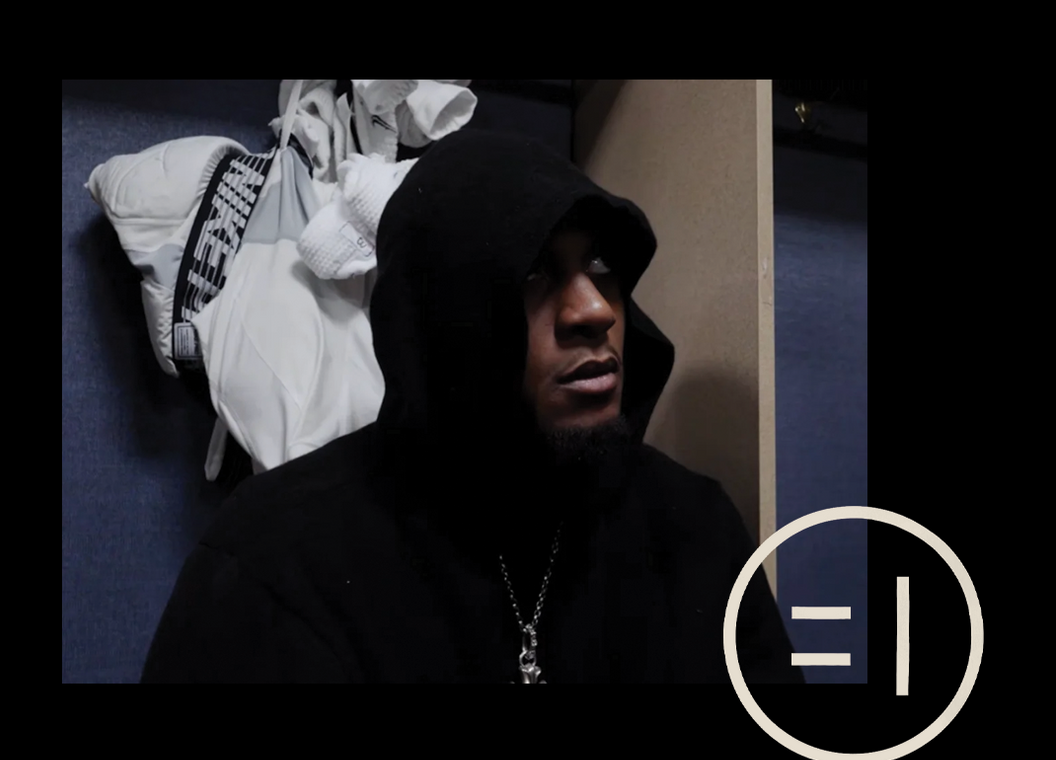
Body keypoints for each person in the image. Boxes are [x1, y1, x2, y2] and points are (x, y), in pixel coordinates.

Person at [141, 130, 802, 684]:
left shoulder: (692, 532)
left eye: (601, 264)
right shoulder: (278, 562)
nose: (596, 309)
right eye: (534, 272)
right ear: (443, 321)